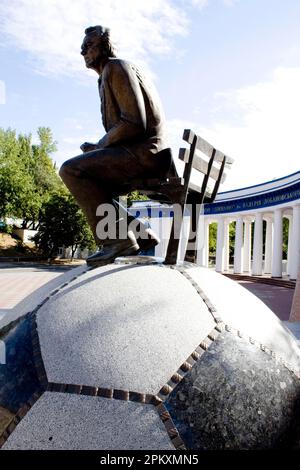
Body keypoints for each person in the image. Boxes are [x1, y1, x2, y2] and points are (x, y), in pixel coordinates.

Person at [59, 25, 173, 264]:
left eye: (89, 45)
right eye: (82, 47)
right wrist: (99, 148)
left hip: (145, 155)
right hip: (145, 153)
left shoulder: (116, 67)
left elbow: (134, 122)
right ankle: (140, 233)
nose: (83, 51)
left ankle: (116, 239)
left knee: (71, 170)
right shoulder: (109, 74)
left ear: (106, 46)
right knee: (94, 182)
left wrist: (101, 146)